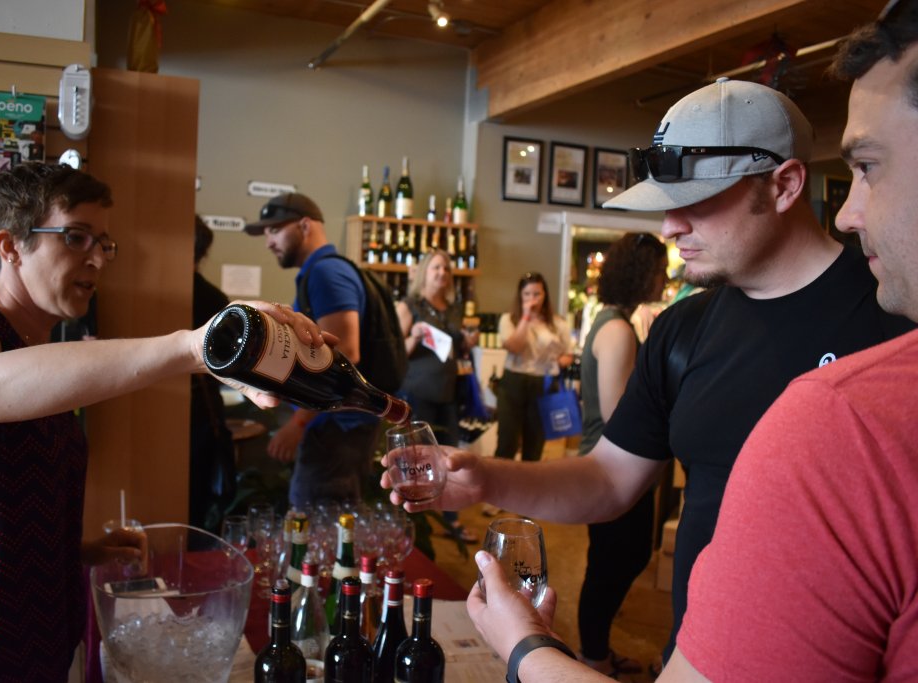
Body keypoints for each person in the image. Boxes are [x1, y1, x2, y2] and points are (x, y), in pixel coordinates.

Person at [384, 78, 914, 664]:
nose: (669, 228)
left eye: (697, 201)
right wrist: (485, 478)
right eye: (666, 204)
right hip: (689, 653)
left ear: (785, 185)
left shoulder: (893, 316)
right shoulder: (682, 330)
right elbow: (610, 480)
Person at [0, 163, 324, 682]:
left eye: (103, 242)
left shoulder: (38, 356)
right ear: (10, 247)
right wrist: (190, 346)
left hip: (37, 647)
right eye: (75, 237)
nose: (97, 259)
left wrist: (77, 551)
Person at [575, 232, 668, 676]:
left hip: (607, 467)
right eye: (659, 269)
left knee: (616, 560)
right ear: (641, 273)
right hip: (610, 470)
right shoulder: (615, 329)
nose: (666, 277)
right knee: (613, 563)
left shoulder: (614, 322)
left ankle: (597, 651)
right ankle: (593, 656)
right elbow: (618, 416)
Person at [247, 192, 378, 508]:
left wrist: (299, 423)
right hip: (335, 427)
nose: (268, 242)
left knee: (318, 526)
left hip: (335, 430)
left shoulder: (326, 273)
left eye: (275, 230)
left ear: (305, 226)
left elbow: (346, 352)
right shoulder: (318, 273)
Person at [396, 249, 479, 543]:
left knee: (449, 458)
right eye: (436, 268)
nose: (442, 273)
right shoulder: (409, 306)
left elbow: (457, 350)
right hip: (418, 393)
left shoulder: (454, 309)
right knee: (418, 460)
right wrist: (415, 335)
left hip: (449, 393)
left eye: (446, 268)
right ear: (424, 273)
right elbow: (396, 353)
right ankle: (415, 525)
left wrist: (469, 342)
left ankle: (450, 519)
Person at [494, 271, 574, 463]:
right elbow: (514, 347)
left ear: (545, 295)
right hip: (513, 381)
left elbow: (568, 354)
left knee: (535, 443)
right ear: (520, 295)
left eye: (537, 294)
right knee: (507, 442)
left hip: (543, 382)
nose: (532, 299)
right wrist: (526, 318)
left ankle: (528, 489)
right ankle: (501, 488)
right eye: (527, 294)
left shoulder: (558, 323)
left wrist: (555, 361)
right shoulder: (509, 319)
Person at [189, 215, 234, 533]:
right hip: (204, 414)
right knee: (198, 507)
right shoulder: (216, 301)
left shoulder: (156, 295)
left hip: (181, 418)